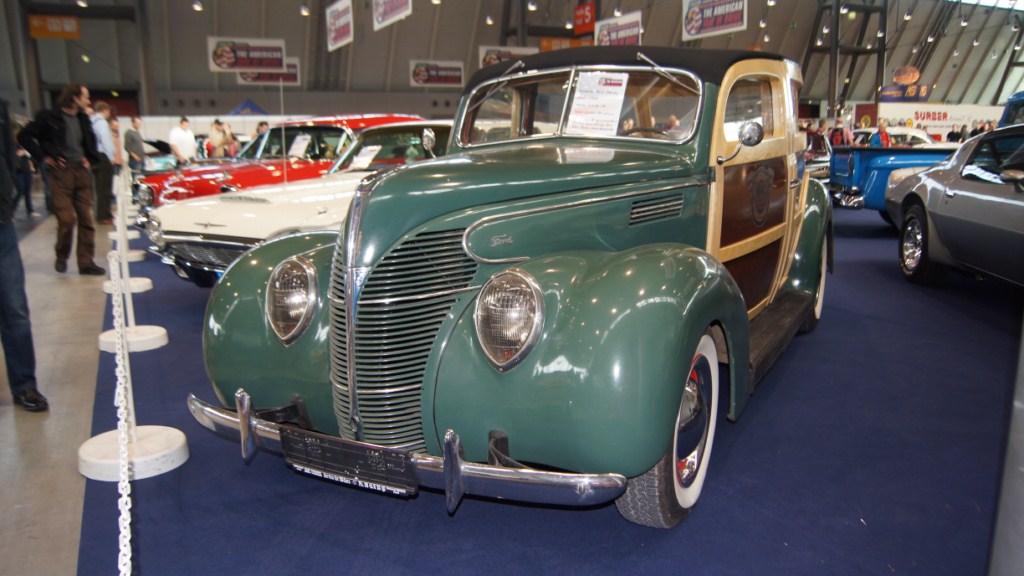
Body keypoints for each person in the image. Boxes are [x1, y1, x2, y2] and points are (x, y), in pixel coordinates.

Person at [17, 83, 106, 276]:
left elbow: (88, 143)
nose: (88, 101)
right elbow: (24, 136)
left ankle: (86, 263)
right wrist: (43, 157)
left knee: (87, 220)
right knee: (66, 220)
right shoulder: (48, 117)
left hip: (81, 172)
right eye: (85, 97)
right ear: (74, 98)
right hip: (61, 173)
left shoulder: (83, 118)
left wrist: (89, 159)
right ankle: (61, 254)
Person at [1, 98, 48, 412]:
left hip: (1, 223)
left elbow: (7, 153)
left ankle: (24, 384)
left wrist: (6, 198)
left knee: (14, 308)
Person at [88, 101, 115, 224]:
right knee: (105, 187)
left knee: (99, 188)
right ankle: (104, 216)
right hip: (103, 157)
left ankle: (100, 214)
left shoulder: (92, 122)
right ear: (105, 110)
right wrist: (110, 157)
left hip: (95, 157)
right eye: (109, 111)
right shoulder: (102, 123)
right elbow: (106, 140)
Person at [11, 124, 39, 220]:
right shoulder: (12, 145)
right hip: (18, 170)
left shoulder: (24, 144)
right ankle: (11, 210)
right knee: (20, 190)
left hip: (27, 169)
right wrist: (20, 153)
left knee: (27, 191)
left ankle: (30, 210)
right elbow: (13, 155)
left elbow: (30, 156)